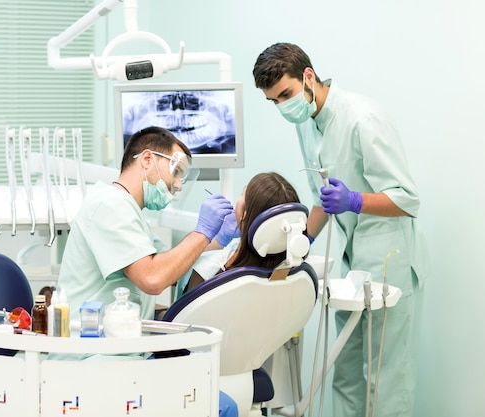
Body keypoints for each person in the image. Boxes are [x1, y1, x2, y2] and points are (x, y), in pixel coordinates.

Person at [252, 42, 430, 417]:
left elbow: (407, 199)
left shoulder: (363, 119)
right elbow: (324, 195)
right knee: (345, 369)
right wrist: (303, 241)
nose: (283, 106)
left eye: (286, 94)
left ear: (309, 77)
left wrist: (356, 202)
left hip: (390, 260)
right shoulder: (307, 123)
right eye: (274, 102)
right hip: (355, 262)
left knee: (385, 375)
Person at [55, 125, 238, 417]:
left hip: (119, 354)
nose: (179, 185)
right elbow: (153, 278)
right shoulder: (109, 205)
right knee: (218, 407)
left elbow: (168, 263)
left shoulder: (130, 211)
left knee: (220, 403)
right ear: (148, 159)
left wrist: (220, 238)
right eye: (177, 171)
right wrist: (202, 232)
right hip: (92, 359)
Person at [179, 171, 303, 294]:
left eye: (242, 194)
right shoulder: (297, 273)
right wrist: (218, 240)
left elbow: (183, 311)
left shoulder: (211, 270)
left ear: (244, 214)